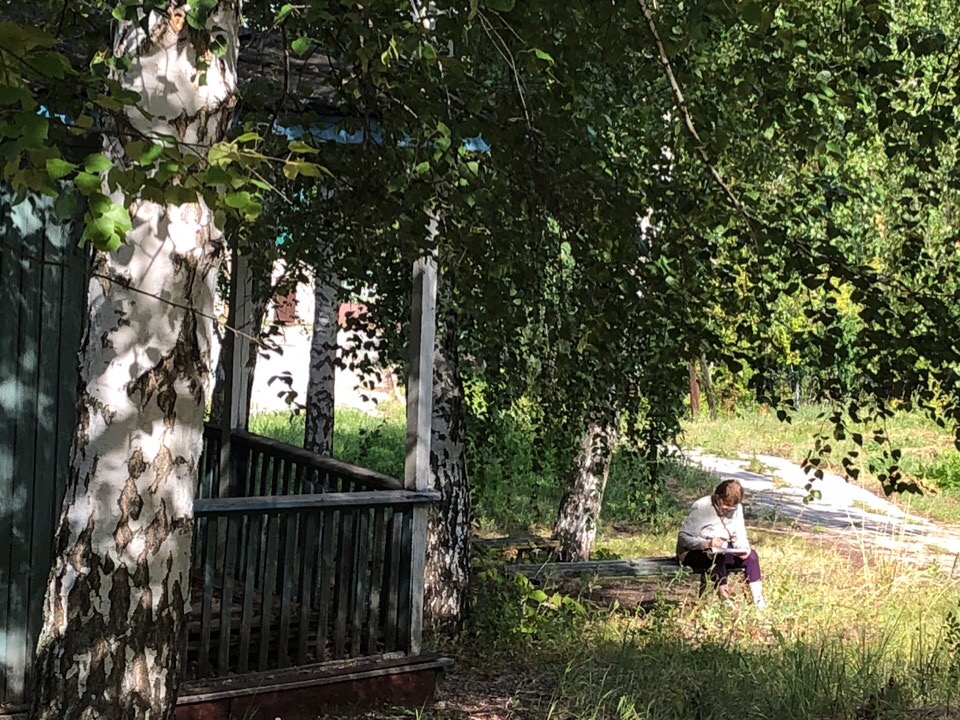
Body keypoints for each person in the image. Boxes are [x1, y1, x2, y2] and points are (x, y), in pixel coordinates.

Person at [676, 478, 766, 608]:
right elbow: (683, 537)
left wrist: (742, 548)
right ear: (718, 498)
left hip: (722, 549)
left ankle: (758, 600)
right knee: (717, 558)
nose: (729, 509)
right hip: (693, 552)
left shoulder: (737, 509)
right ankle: (725, 599)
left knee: (752, 556)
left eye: (732, 506)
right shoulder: (701, 507)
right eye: (726, 504)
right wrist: (706, 544)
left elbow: (739, 533)